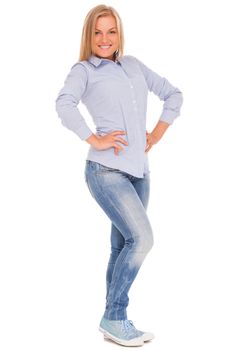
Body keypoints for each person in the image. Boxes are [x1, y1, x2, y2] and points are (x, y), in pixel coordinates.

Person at [55, 4, 183, 347]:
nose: (104, 38)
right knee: (142, 240)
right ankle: (115, 316)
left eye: (111, 31)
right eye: (97, 32)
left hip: (139, 171)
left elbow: (173, 95)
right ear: (89, 36)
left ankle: (113, 321)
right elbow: (64, 103)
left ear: (119, 34)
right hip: (105, 170)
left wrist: (155, 135)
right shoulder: (83, 70)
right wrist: (94, 138)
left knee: (122, 245)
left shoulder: (133, 65)